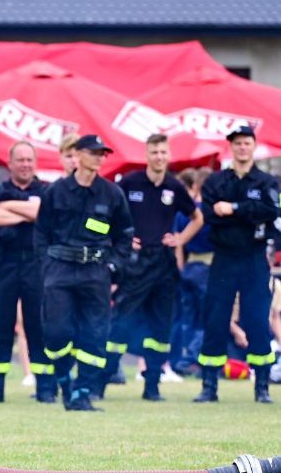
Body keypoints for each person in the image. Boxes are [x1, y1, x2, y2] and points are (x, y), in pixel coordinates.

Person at [34, 134, 134, 411]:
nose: (99, 158)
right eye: (93, 152)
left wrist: (113, 266)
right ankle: (64, 379)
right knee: (57, 332)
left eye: (102, 154)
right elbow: (40, 233)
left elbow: (125, 235)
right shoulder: (55, 191)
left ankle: (83, 392)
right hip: (60, 270)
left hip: (95, 272)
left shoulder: (112, 194)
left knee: (95, 333)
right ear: (77, 155)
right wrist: (46, 266)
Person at [98, 134, 201, 402]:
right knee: (120, 323)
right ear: (146, 155)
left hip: (164, 265)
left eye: (163, 152)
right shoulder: (129, 182)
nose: (159, 157)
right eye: (154, 152)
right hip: (135, 265)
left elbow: (197, 218)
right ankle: (102, 382)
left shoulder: (174, 186)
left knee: (160, 327)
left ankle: (152, 385)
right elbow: (106, 216)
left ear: (169, 155)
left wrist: (180, 239)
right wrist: (120, 239)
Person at [195, 126, 279, 404]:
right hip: (224, 259)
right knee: (216, 319)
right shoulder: (216, 181)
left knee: (257, 320)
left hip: (254, 258)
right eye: (238, 143)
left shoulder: (266, 181)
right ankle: (209, 386)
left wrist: (234, 209)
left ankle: (262, 387)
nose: (242, 147)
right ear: (231, 147)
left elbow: (271, 210)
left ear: (254, 146)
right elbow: (209, 214)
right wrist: (248, 214)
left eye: (247, 143)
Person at [0, 142, 51, 402]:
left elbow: (44, 214)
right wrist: (26, 215)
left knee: (39, 325)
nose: (25, 164)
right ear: (9, 164)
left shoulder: (46, 190)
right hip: (3, 265)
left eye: (29, 159)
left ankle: (45, 388)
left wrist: (7, 207)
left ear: (35, 162)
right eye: (20, 160)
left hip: (37, 265)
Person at [171, 168, 212, 375]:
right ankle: (193, 358)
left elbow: (178, 242)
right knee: (207, 317)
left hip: (188, 267)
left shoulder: (183, 213)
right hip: (208, 266)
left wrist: (180, 267)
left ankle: (183, 359)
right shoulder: (210, 213)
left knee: (188, 318)